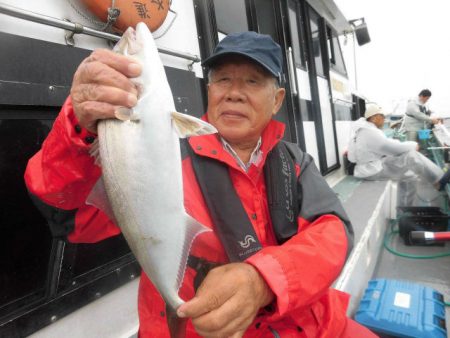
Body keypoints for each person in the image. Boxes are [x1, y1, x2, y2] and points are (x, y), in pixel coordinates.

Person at [25, 31, 376, 337]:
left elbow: (331, 230)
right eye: (223, 79)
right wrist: (78, 124)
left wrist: (265, 280)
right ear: (209, 90)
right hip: (199, 327)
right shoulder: (167, 149)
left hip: (308, 321)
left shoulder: (293, 160)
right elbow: (71, 219)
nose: (234, 93)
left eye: (253, 81)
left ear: (277, 99)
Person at [347, 104, 450, 206]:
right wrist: (414, 145)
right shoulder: (370, 132)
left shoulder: (363, 131)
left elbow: (353, 156)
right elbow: (391, 148)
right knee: (411, 156)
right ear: (374, 118)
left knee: (409, 172)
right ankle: (439, 180)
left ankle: (405, 206)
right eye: (382, 116)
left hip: (368, 167)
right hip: (372, 170)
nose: (384, 119)